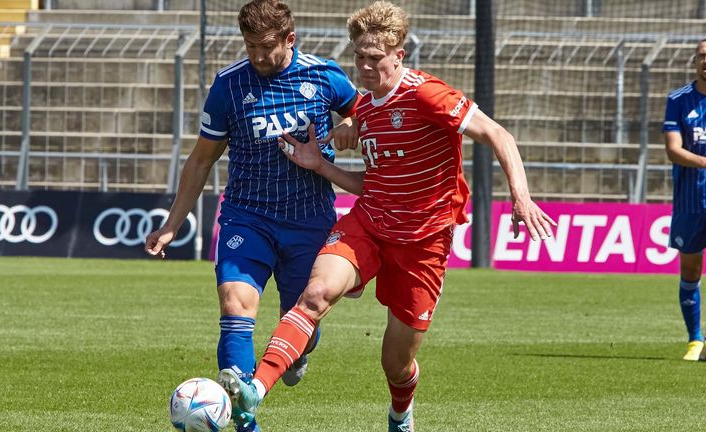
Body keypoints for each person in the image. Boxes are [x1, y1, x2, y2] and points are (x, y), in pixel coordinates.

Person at [216, 1, 556, 430]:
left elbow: (498, 134)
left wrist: (520, 198)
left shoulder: (428, 95)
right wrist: (319, 164)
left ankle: (400, 413)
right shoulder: (366, 111)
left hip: (422, 244)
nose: (364, 66)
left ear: (399, 55)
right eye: (358, 56)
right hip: (369, 224)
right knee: (316, 293)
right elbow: (372, 186)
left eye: (375, 58)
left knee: (395, 364)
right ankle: (255, 391)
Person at [144, 1, 360, 430]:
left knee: (303, 321)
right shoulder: (229, 86)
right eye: (250, 46)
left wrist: (355, 124)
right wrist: (172, 224)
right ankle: (245, 420)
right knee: (235, 305)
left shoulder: (324, 76)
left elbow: (367, 115)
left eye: (266, 47)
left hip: (309, 220)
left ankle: (296, 352)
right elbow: (201, 160)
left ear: (289, 39)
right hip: (248, 217)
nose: (257, 57)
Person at [663, 38, 706, 361]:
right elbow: (673, 150)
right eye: (702, 56)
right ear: (694, 61)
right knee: (690, 271)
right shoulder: (678, 100)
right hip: (691, 200)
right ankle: (695, 340)